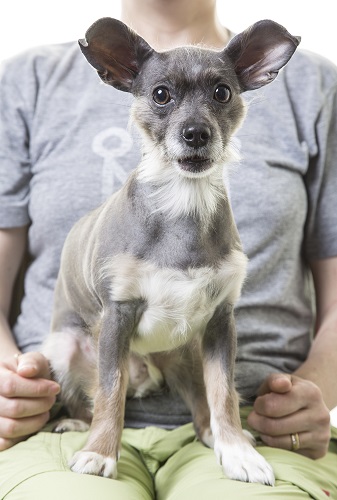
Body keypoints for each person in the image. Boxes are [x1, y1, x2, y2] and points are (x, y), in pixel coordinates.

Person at [0, 0, 336, 498]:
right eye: (162, 95)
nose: (195, 123)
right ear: (120, 72)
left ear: (253, 71)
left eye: (220, 93)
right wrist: (8, 385)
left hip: (262, 423)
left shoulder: (318, 87)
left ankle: (219, 426)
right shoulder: (28, 79)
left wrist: (318, 390)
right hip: (61, 410)